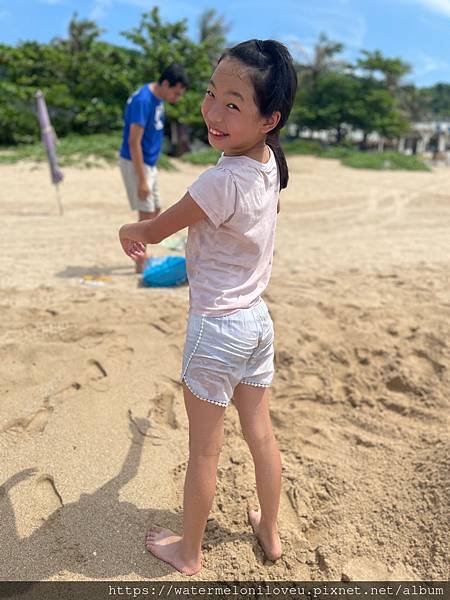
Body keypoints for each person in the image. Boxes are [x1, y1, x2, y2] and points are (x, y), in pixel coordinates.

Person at [119, 39, 297, 575]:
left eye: (234, 104)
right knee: (260, 431)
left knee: (204, 451)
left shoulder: (221, 180)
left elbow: (154, 230)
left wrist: (129, 229)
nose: (214, 111)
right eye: (210, 93)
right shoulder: (268, 165)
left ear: (270, 118)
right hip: (256, 322)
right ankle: (269, 526)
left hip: (217, 328)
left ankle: (188, 552)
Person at [119, 64, 189, 272]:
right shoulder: (143, 100)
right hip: (136, 162)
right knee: (146, 212)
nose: (177, 98)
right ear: (166, 84)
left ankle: (141, 255)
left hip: (149, 163)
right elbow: (133, 142)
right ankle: (140, 262)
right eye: (176, 93)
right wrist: (141, 179)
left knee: (155, 210)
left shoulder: (158, 99)